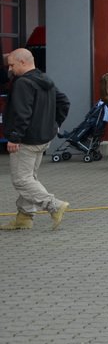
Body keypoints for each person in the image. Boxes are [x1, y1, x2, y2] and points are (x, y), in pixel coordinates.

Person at [0, 49, 71, 231]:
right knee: (30, 178)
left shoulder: (23, 83)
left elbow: (21, 113)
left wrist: (14, 137)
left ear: (23, 62)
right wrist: (54, 125)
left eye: (12, 65)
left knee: (21, 180)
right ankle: (24, 217)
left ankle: (54, 205)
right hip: (42, 139)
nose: (10, 69)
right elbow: (64, 102)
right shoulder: (45, 79)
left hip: (26, 140)